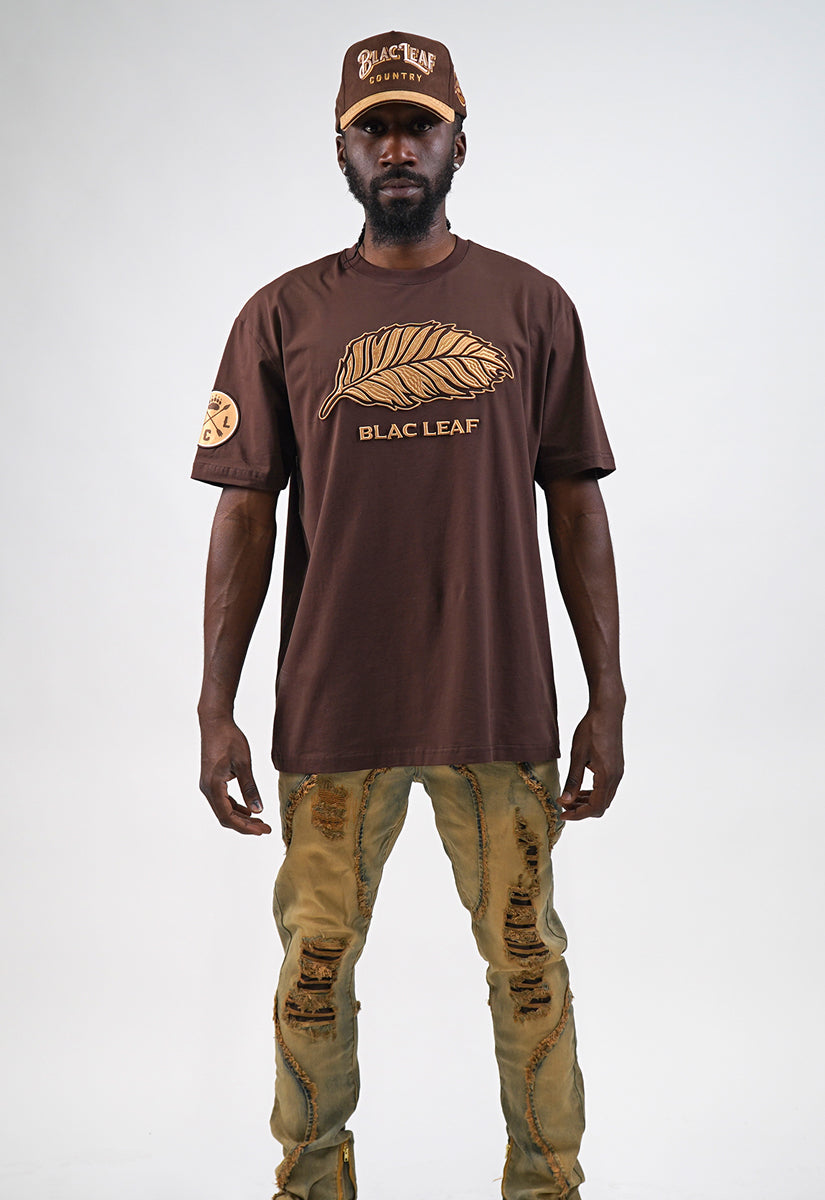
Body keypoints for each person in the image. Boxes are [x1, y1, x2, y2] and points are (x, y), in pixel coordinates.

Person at [192, 29, 625, 1200]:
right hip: (336, 711)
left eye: (418, 125)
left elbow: (576, 501)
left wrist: (608, 697)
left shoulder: (531, 306)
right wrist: (215, 708)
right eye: (373, 127)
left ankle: (547, 1185)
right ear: (341, 149)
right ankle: (312, 1184)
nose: (397, 148)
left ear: (458, 143)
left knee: (527, 965)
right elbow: (242, 515)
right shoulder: (281, 316)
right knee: (314, 971)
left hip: (498, 704)